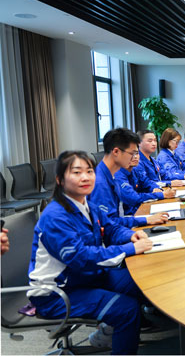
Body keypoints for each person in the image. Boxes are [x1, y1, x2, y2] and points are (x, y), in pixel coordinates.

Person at [28, 150, 154, 355]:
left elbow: (111, 228)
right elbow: (82, 258)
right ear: (60, 180)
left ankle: (116, 333)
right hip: (57, 293)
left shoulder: (87, 205)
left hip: (84, 278)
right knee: (126, 309)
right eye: (77, 172)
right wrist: (129, 248)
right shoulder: (55, 216)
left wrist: (131, 236)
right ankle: (115, 334)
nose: (85, 177)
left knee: (142, 282)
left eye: (89, 171)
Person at [90, 128, 168, 227]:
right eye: (132, 153)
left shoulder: (110, 175)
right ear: (116, 152)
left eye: (136, 153)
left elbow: (112, 221)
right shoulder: (100, 183)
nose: (135, 158)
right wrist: (144, 220)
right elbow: (108, 226)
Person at [115, 151, 176, 215]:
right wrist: (161, 194)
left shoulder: (135, 169)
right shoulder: (118, 175)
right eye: (131, 154)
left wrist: (156, 189)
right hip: (133, 214)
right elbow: (133, 197)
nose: (135, 157)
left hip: (143, 206)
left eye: (136, 153)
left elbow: (147, 182)